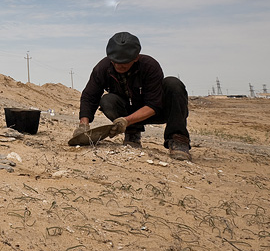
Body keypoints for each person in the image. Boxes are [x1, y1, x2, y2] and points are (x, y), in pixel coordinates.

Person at [72, 32, 192, 161]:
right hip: (127, 113)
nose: (118, 65)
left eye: (124, 62)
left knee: (173, 84)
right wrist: (83, 125)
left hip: (155, 112)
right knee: (107, 101)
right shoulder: (103, 68)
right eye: (115, 61)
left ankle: (178, 140)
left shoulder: (150, 66)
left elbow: (154, 104)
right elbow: (89, 96)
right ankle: (132, 133)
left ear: (136, 58)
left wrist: (126, 121)